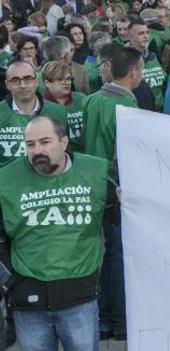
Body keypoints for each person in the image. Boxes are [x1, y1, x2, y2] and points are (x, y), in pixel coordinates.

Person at [0, 116, 112, 351]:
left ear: (64, 142)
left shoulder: (95, 174)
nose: (37, 150)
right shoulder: (7, 180)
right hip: (27, 299)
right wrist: (10, 281)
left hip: (79, 297)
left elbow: (125, 214)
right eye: (30, 145)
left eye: (45, 142)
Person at [81, 45, 142, 342]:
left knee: (101, 255)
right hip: (116, 189)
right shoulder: (128, 108)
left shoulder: (91, 100)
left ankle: (103, 317)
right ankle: (119, 319)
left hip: (92, 185)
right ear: (134, 71)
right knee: (117, 256)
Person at [0, 62, 67, 168]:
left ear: (36, 81)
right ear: (7, 84)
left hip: (48, 180)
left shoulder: (57, 112)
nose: (22, 85)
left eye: (27, 79)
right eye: (15, 80)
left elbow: (65, 153)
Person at [41, 61, 86, 152]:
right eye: (60, 79)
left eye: (68, 79)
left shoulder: (82, 99)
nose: (66, 83)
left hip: (82, 155)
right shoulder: (40, 105)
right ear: (47, 83)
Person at [127, 18, 164, 110]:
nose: (146, 36)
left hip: (159, 112)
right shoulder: (124, 59)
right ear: (130, 36)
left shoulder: (153, 56)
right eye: (141, 33)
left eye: (147, 32)